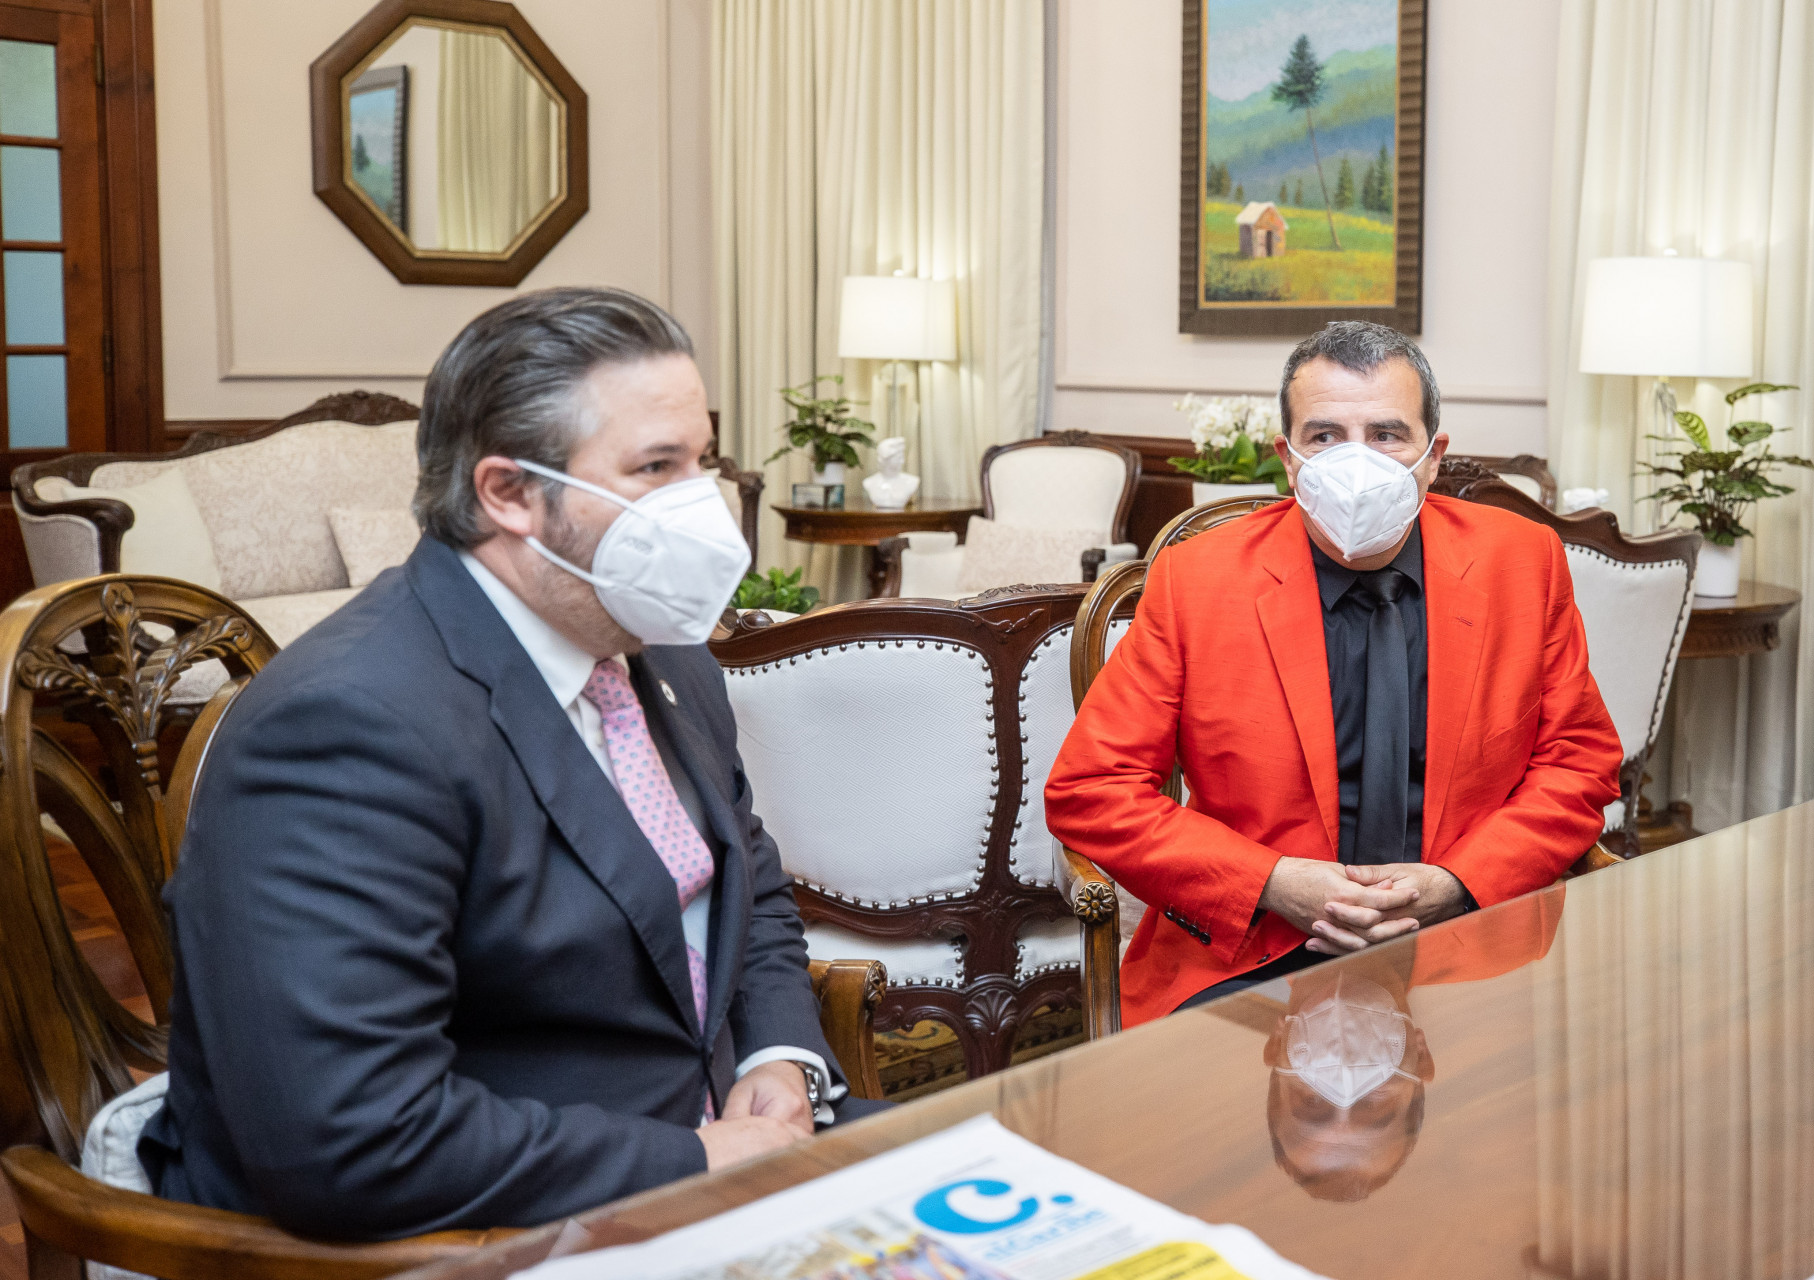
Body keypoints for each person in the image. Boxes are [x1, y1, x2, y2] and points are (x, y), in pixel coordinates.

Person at [140, 288, 881, 1240]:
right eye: (657, 467)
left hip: (729, 1148)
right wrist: (700, 1160)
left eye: (702, 460)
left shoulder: (662, 654)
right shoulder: (344, 727)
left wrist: (777, 1060)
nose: (704, 505)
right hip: (510, 1222)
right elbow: (354, 1140)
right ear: (508, 493)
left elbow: (751, 886)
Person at [1045, 321, 1621, 1026]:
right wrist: (1273, 882)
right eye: (1325, 436)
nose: (1358, 461)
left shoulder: (1521, 561)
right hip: (1253, 948)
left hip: (1467, 939)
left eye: (1387, 434)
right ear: (1288, 459)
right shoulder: (1197, 579)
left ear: (1433, 456)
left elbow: (1579, 761)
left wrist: (1457, 882)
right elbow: (1092, 790)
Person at [1264, 888, 1564, 1201]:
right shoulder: (1509, 935)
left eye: (1313, 1102)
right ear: (1421, 1057)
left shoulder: (1234, 927)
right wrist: (1453, 888)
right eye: (1372, 1105)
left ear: (1276, 1043)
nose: (1345, 1080)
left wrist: (1276, 886)